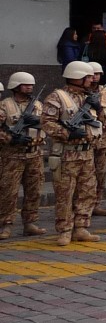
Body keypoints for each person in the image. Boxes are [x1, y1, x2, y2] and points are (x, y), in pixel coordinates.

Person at [41, 61, 101, 246]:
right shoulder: (57, 97)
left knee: (87, 192)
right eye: (88, 77)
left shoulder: (89, 98)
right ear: (77, 77)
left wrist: (98, 108)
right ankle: (65, 230)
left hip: (87, 154)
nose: (92, 80)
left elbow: (101, 122)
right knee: (65, 194)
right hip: (67, 155)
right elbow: (47, 122)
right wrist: (67, 133)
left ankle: (81, 227)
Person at [0, 72, 47, 239]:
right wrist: (11, 138)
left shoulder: (38, 105)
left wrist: (38, 121)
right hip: (12, 156)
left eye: (31, 85)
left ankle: (30, 223)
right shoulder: (5, 105)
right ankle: (6, 224)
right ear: (16, 86)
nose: (30, 87)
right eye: (26, 85)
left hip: (34, 154)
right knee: (8, 192)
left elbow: (49, 123)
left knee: (34, 190)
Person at [85, 61, 106, 216]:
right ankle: (84, 205)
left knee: (101, 173)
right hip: (85, 141)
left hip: (103, 140)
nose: (95, 77)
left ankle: (96, 203)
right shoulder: (79, 94)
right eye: (92, 74)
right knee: (86, 175)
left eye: (97, 74)